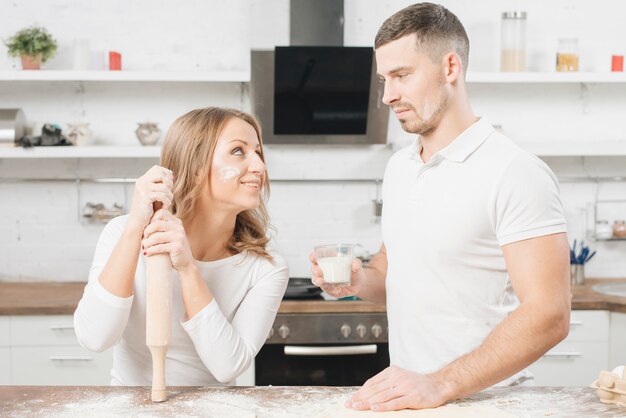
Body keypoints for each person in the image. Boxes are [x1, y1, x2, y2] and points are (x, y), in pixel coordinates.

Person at [310, 2, 570, 412]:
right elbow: (394, 270)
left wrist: (441, 383)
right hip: (412, 399)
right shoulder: (401, 167)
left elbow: (550, 315)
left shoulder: (515, 172)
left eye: (401, 76)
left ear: (450, 68)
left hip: (488, 402)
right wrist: (358, 281)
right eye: (383, 79)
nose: (387, 96)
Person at [74, 107, 289, 386]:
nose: (259, 166)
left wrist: (187, 268)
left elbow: (227, 366)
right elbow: (95, 338)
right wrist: (134, 229)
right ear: (196, 166)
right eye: (239, 151)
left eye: (258, 153)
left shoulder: (265, 267)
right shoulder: (123, 234)